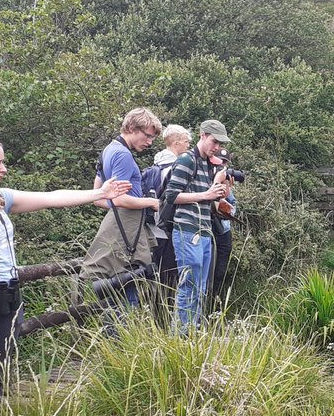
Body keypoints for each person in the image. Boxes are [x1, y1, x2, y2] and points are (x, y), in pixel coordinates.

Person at [0, 134, 132, 401]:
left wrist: (100, 193)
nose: (4, 169)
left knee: (1, 363)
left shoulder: (0, 199)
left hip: (7, 296)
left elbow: (51, 198)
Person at [79, 108, 162, 313]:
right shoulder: (123, 155)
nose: (150, 142)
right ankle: (124, 337)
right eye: (148, 135)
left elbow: (98, 197)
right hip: (127, 227)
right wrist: (150, 202)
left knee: (118, 284)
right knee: (127, 284)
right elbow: (120, 198)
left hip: (117, 223)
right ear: (132, 128)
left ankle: (118, 336)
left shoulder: (108, 150)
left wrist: (118, 205)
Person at [162, 119, 230, 332]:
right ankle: (180, 336)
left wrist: (219, 191)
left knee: (201, 288)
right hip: (186, 229)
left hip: (205, 231)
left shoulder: (209, 165)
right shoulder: (187, 159)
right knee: (189, 286)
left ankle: (192, 333)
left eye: (220, 143)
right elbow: (171, 196)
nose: (217, 147)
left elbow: (208, 201)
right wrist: (207, 194)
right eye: (214, 141)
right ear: (202, 136)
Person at [146, 124, 192, 312]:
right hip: (168, 227)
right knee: (169, 276)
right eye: (187, 142)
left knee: (158, 273)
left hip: (155, 228)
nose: (189, 145)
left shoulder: (156, 166)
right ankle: (163, 317)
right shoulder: (172, 168)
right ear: (176, 142)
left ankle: (156, 314)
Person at [208, 152, 238, 307]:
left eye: (225, 164)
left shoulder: (226, 185)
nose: (223, 167)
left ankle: (215, 304)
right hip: (208, 230)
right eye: (221, 164)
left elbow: (233, 211)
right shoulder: (205, 177)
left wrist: (225, 196)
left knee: (220, 272)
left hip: (223, 231)